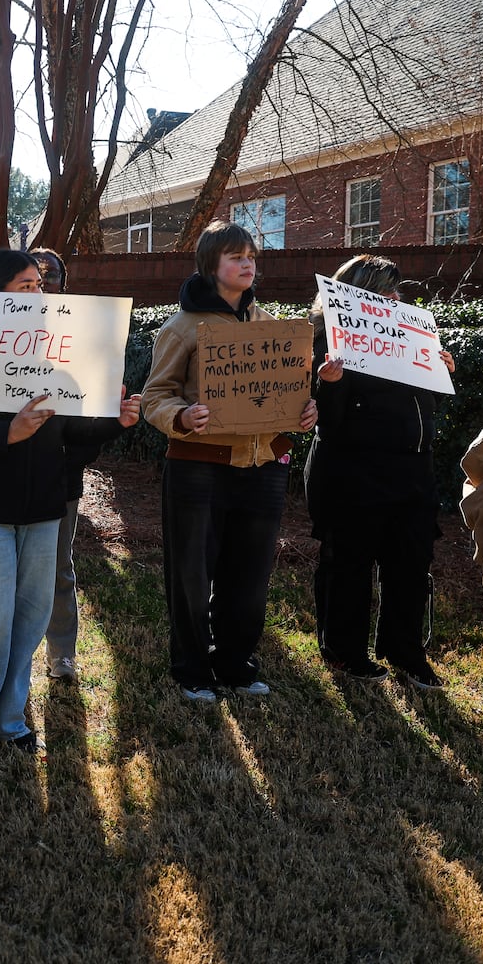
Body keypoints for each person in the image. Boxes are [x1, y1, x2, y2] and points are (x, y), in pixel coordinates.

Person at [0, 249, 140, 760]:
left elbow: (74, 429)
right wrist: (8, 432)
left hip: (43, 507)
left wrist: (117, 419)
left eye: (40, 285)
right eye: (25, 286)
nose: (38, 294)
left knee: (28, 619)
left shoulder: (57, 353)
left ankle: (10, 719)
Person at [142, 220, 318, 701]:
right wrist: (182, 415)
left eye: (251, 257)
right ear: (211, 265)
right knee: (192, 575)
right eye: (236, 257)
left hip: (263, 468)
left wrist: (305, 411)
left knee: (250, 576)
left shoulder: (273, 330)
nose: (248, 265)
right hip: (198, 467)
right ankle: (193, 669)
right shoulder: (181, 329)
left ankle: (236, 664)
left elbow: (289, 395)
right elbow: (155, 396)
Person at [307, 254, 455, 688]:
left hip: (412, 471)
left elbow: (424, 408)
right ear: (358, 297)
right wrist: (329, 384)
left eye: (397, 290)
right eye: (385, 291)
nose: (395, 298)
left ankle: (406, 652)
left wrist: (441, 374)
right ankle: (344, 651)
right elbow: (326, 422)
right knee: (349, 564)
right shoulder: (330, 340)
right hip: (353, 472)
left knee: (410, 564)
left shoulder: (411, 335)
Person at [29, 246, 114, 683]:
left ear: (66, 285)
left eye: (52, 278)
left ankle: (61, 653)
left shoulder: (79, 338)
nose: (44, 286)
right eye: (34, 278)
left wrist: (76, 454)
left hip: (62, 477)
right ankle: (16, 654)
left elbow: (93, 416)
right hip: (10, 476)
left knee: (58, 565)